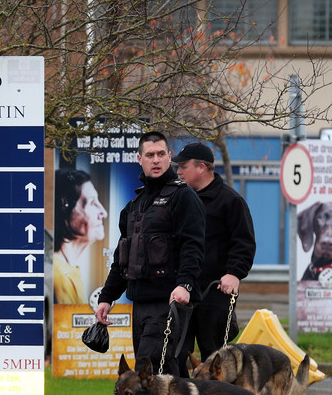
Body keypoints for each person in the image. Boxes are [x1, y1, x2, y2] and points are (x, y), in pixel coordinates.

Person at [93, 131, 206, 376]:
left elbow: (193, 246)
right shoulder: (133, 207)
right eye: (150, 155)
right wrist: (106, 298)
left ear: (169, 157)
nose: (156, 160)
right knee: (163, 376)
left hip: (170, 302)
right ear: (139, 159)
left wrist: (185, 284)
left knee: (151, 375)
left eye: (161, 154)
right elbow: (122, 259)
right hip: (141, 303)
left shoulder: (183, 197)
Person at [172, 142, 256, 376]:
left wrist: (234, 273)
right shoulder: (180, 199)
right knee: (176, 354)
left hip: (215, 293)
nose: (178, 171)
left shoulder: (230, 201)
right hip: (184, 290)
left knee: (216, 359)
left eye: (183, 166)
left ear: (201, 167)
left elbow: (245, 242)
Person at [54, 168, 109, 304]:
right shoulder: (58, 276)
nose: (103, 212)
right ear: (65, 210)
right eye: (91, 203)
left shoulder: (68, 270)